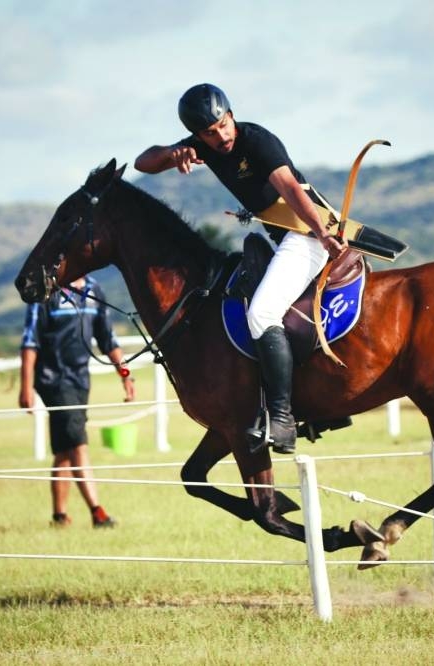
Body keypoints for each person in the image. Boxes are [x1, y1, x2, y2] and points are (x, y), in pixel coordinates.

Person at [135, 83, 347, 455]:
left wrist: (322, 233)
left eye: (223, 125)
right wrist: (172, 153)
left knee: (262, 313)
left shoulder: (258, 141)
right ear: (197, 135)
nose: (221, 136)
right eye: (209, 133)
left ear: (231, 115)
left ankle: (282, 419)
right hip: (288, 238)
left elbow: (291, 189)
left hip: (307, 232)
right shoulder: (200, 147)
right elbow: (143, 163)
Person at [18, 273, 136, 527]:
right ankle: (98, 512)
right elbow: (29, 341)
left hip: (80, 381)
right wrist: (25, 387)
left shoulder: (94, 289)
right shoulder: (46, 291)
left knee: (65, 448)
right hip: (53, 380)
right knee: (78, 444)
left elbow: (108, 339)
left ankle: (59, 517)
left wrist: (126, 376)